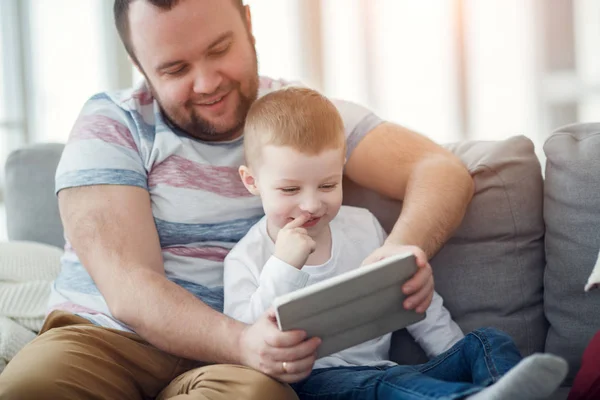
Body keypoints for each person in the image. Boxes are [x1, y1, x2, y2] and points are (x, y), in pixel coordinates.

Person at [0, 0, 475, 399]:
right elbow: (129, 288)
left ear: (247, 23)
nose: (206, 83)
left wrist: (402, 250)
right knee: (28, 389)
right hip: (106, 341)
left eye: (219, 49)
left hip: (243, 367)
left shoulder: (301, 117)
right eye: (175, 68)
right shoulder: (112, 123)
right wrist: (244, 342)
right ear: (140, 65)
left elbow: (439, 171)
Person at [224, 86, 568, 400]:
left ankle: (497, 392)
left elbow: (417, 303)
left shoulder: (362, 226)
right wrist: (283, 267)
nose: (312, 205)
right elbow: (247, 346)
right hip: (319, 384)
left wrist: (454, 356)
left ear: (342, 168)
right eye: (290, 190)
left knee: (486, 341)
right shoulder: (246, 258)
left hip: (390, 375)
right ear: (252, 181)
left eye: (327, 185)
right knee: (381, 386)